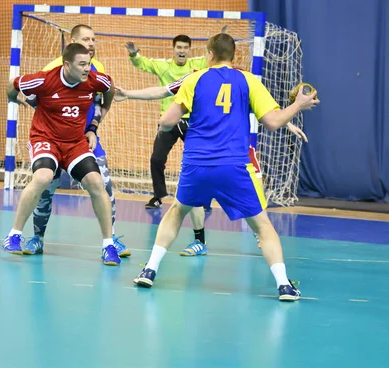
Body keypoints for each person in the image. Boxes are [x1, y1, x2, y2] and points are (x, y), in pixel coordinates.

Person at [132, 33, 319, 301]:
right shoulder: (248, 80)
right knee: (263, 226)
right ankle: (284, 286)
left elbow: (169, 121)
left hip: (197, 164)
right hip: (233, 166)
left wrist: (163, 118)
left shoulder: (195, 78)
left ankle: (149, 270)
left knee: (176, 212)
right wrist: (299, 104)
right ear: (235, 56)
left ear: (209, 53)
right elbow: (274, 122)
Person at [115, 75, 310, 252]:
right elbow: (163, 91)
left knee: (253, 184)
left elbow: (264, 110)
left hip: (227, 147)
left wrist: (287, 122)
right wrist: (129, 94)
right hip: (192, 130)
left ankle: (256, 230)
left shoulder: (238, 80)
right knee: (178, 179)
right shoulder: (196, 79)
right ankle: (196, 236)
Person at [4, 43, 121, 266]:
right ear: (67, 65)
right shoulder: (44, 80)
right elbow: (13, 84)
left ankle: (109, 245)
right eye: (82, 64)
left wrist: (99, 117)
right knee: (43, 177)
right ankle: (14, 235)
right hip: (45, 139)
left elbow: (110, 87)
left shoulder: (95, 80)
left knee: (96, 182)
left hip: (75, 143)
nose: (88, 69)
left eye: (89, 63)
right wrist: (13, 98)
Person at [125, 35, 208, 209]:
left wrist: (221, 37)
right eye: (179, 47)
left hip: (191, 122)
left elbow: (213, 56)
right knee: (156, 159)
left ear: (190, 50)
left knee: (200, 160)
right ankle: (158, 196)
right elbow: (143, 63)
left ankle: (203, 199)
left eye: (185, 48)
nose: (182, 51)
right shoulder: (163, 66)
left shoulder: (198, 65)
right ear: (174, 49)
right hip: (168, 122)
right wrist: (134, 54)